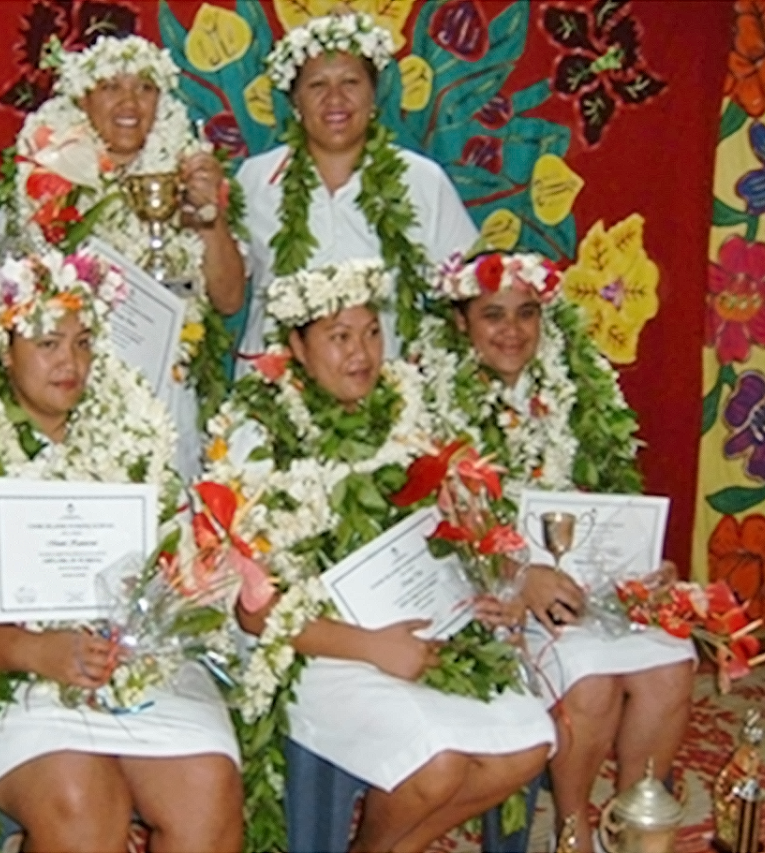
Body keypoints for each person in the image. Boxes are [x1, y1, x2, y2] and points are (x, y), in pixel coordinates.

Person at [203, 260, 554, 853]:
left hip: (418, 628)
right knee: (438, 765)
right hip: (313, 649)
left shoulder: (406, 409)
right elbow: (256, 614)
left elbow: (456, 533)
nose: (361, 353)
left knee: (528, 744)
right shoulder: (255, 436)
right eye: (339, 337)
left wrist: (487, 586)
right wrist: (373, 647)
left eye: (371, 332)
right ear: (296, 346)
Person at [0, 249, 243, 851]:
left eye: (84, 342)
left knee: (208, 788)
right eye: (48, 343)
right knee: (83, 805)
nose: (71, 362)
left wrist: (174, 599)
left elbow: (172, 567)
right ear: (4, 348)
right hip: (9, 672)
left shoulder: (132, 425)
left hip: (135, 667)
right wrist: (38, 650)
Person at [410, 251, 695, 853]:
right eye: (493, 315)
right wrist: (517, 576)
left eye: (527, 313)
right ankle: (573, 830)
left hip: (586, 587)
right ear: (460, 321)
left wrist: (646, 565)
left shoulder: (578, 380)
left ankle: (636, 824)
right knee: (591, 681)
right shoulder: (428, 398)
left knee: (671, 663)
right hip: (489, 595)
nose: (513, 331)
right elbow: (435, 531)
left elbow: (614, 494)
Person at [0, 34, 247, 478]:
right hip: (70, 408)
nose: (130, 103)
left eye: (144, 88)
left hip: (166, 400)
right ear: (82, 98)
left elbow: (230, 300)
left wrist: (209, 218)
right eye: (111, 86)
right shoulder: (37, 189)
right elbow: (3, 319)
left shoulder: (188, 178)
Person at [235, 11, 477, 371]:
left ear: (374, 95)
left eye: (350, 82)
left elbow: (470, 290)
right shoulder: (256, 179)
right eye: (317, 85)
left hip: (387, 387)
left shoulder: (422, 180)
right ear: (295, 102)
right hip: (275, 386)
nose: (335, 98)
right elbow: (225, 295)